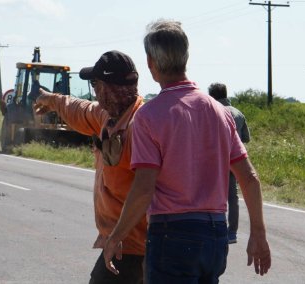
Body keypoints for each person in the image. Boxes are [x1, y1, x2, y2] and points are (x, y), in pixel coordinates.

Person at [103, 20, 271, 282]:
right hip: (215, 234)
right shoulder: (220, 112)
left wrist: (116, 236)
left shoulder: (148, 116)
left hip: (172, 234)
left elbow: (144, 188)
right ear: (186, 57)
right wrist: (258, 234)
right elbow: (249, 178)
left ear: (150, 62)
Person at [33, 50, 147, 283]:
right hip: (121, 243)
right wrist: (52, 100)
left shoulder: (141, 126)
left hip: (134, 247)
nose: (95, 91)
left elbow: (151, 190)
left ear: (106, 88)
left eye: (95, 84)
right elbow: (79, 108)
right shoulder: (108, 117)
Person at [208, 82, 251, 244]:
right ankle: (232, 232)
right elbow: (246, 138)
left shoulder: (211, 111)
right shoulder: (238, 113)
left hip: (214, 160)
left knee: (211, 195)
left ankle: (214, 229)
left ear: (212, 95)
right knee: (233, 197)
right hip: (235, 160)